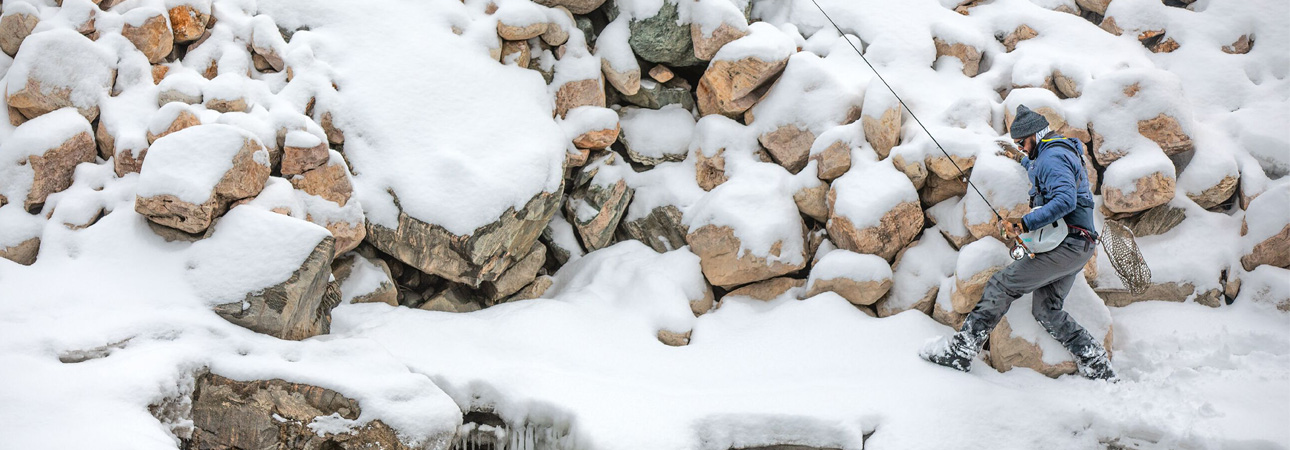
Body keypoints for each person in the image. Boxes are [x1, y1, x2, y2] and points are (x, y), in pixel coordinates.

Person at [919, 104, 1116, 381]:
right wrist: (1022, 160)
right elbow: (1044, 172)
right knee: (1046, 310)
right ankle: (1096, 361)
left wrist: (1024, 224)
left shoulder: (1052, 157)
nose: (1021, 148)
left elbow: (1064, 200)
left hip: (1068, 245)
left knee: (1002, 284)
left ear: (1037, 135)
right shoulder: (1052, 153)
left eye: (1022, 143)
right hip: (1078, 247)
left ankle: (962, 351)